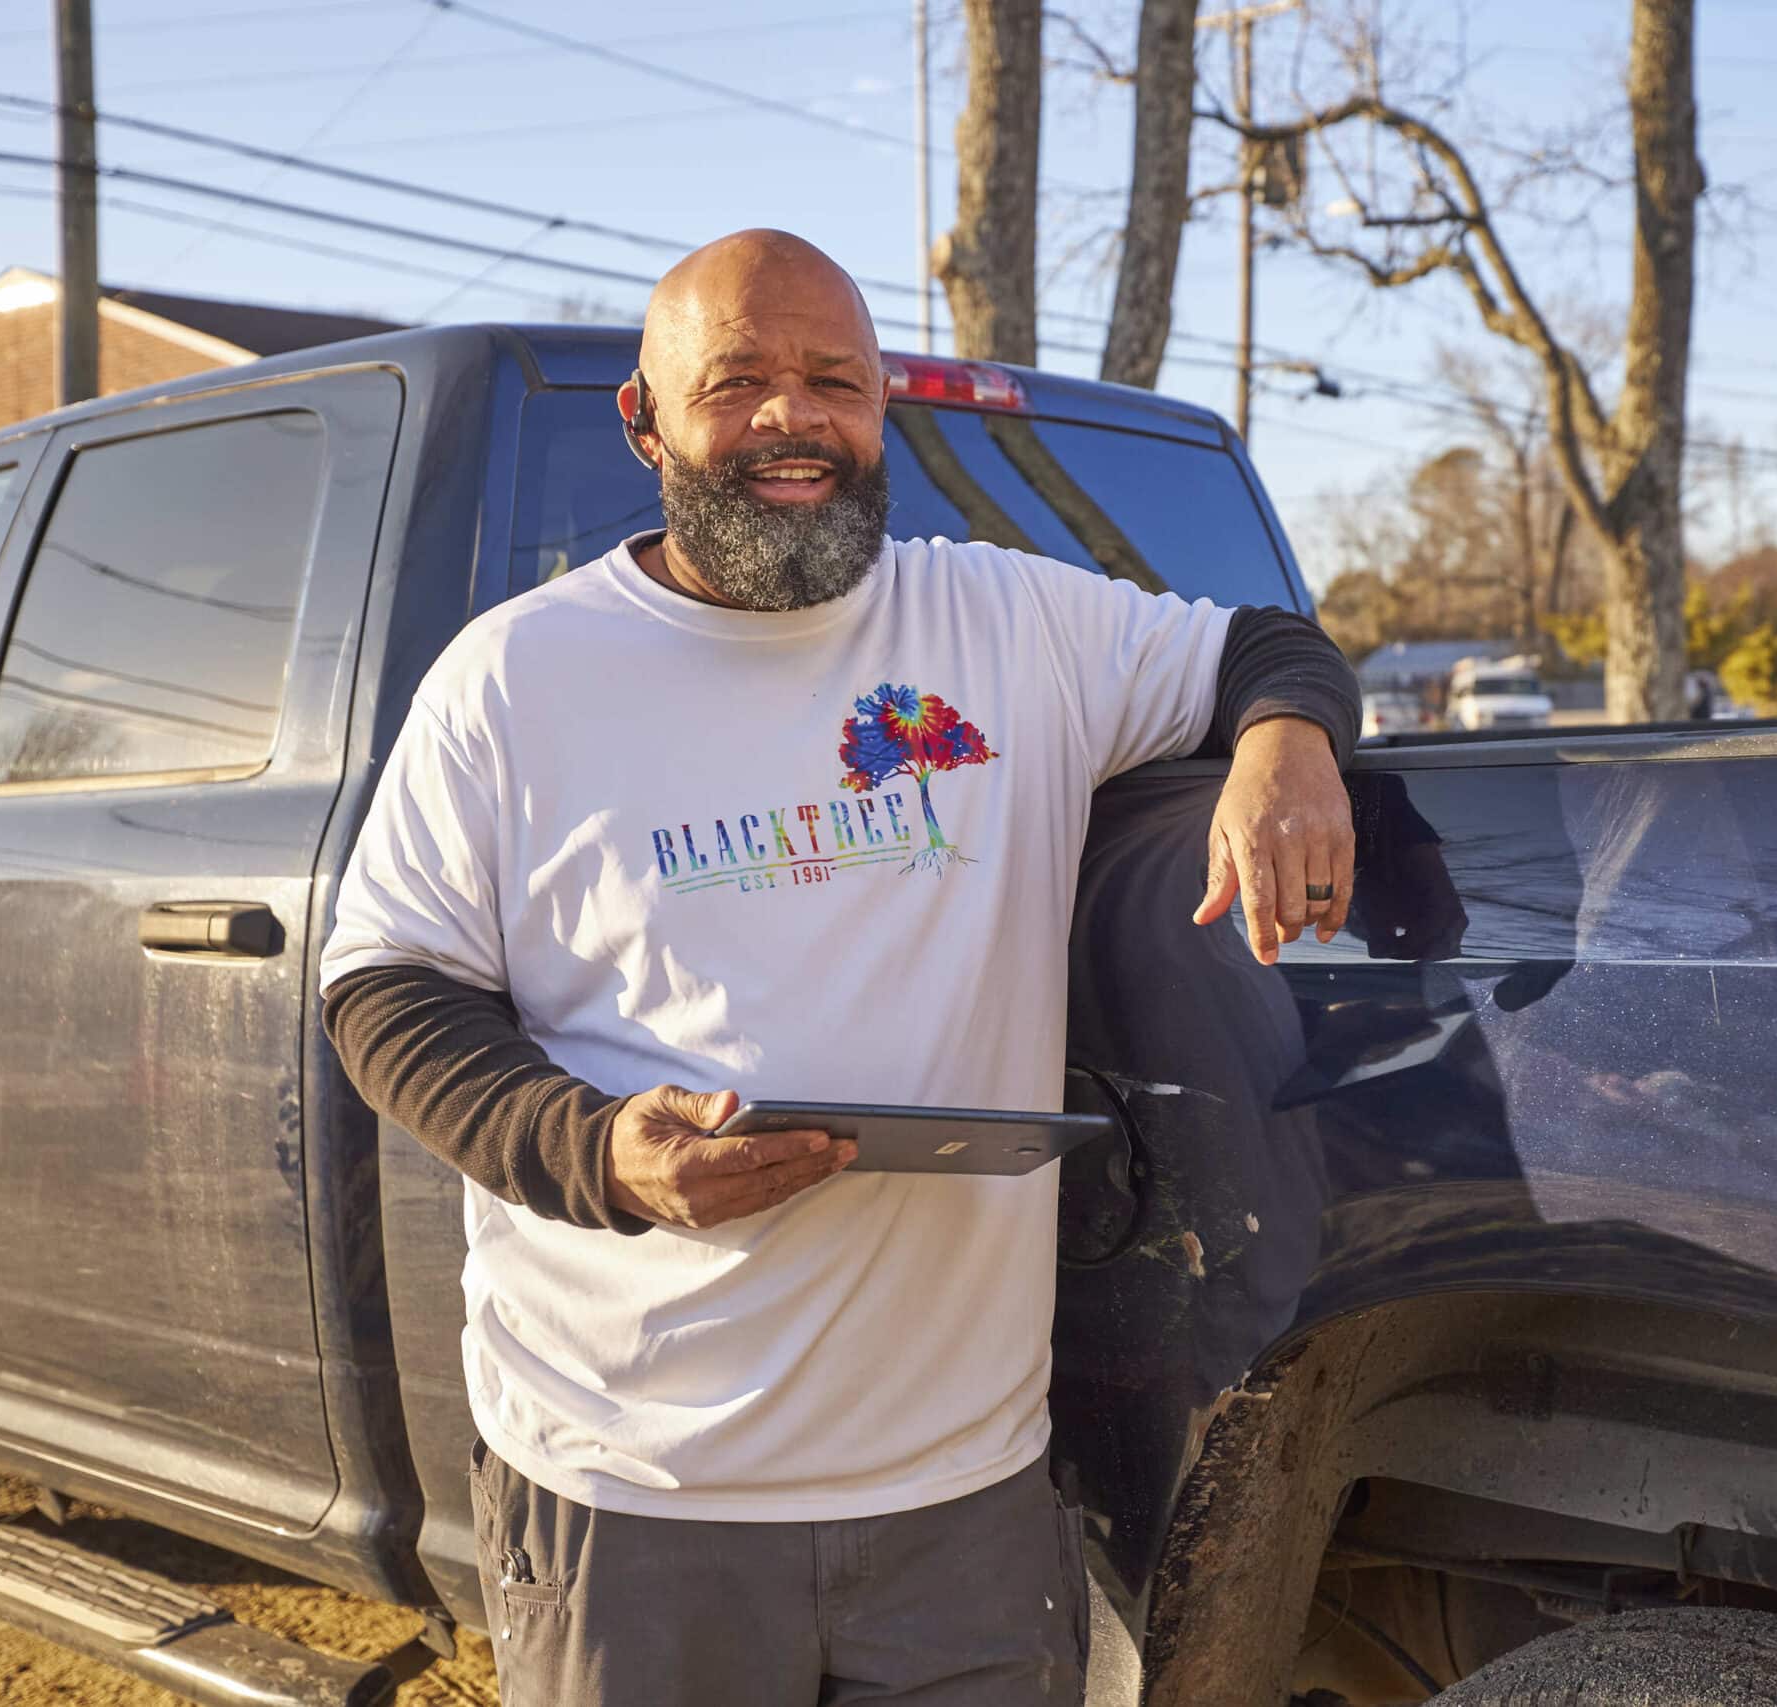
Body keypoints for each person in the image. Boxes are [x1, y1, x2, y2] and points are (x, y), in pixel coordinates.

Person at [318, 229, 1360, 1705]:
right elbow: (386, 990)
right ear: (646, 419)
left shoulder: (1009, 623)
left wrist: (1284, 748)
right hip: (635, 1486)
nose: (790, 416)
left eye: (833, 381)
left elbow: (1267, 644)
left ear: (879, 413)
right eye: (735, 381)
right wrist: (599, 1151)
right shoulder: (516, 677)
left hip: (966, 1494)